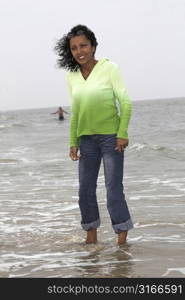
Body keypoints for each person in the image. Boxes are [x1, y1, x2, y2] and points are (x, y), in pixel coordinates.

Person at [55, 24, 133, 245]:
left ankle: (121, 238)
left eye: (84, 45)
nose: (79, 51)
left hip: (111, 137)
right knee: (85, 190)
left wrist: (122, 133)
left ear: (93, 46)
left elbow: (125, 103)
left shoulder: (110, 69)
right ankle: (91, 236)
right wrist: (73, 141)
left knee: (113, 188)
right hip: (86, 140)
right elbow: (76, 111)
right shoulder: (72, 76)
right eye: (74, 48)